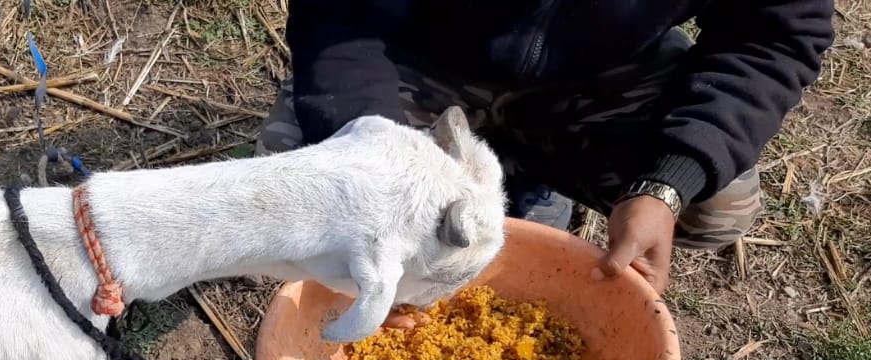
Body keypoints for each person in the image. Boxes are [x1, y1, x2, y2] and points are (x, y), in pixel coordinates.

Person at [255, 1, 835, 295]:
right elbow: (339, 14)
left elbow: (774, 37)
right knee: (303, 178)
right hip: (421, 53)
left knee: (716, 207)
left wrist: (668, 184)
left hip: (600, 71)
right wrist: (374, 148)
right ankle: (489, 165)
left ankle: (523, 172)